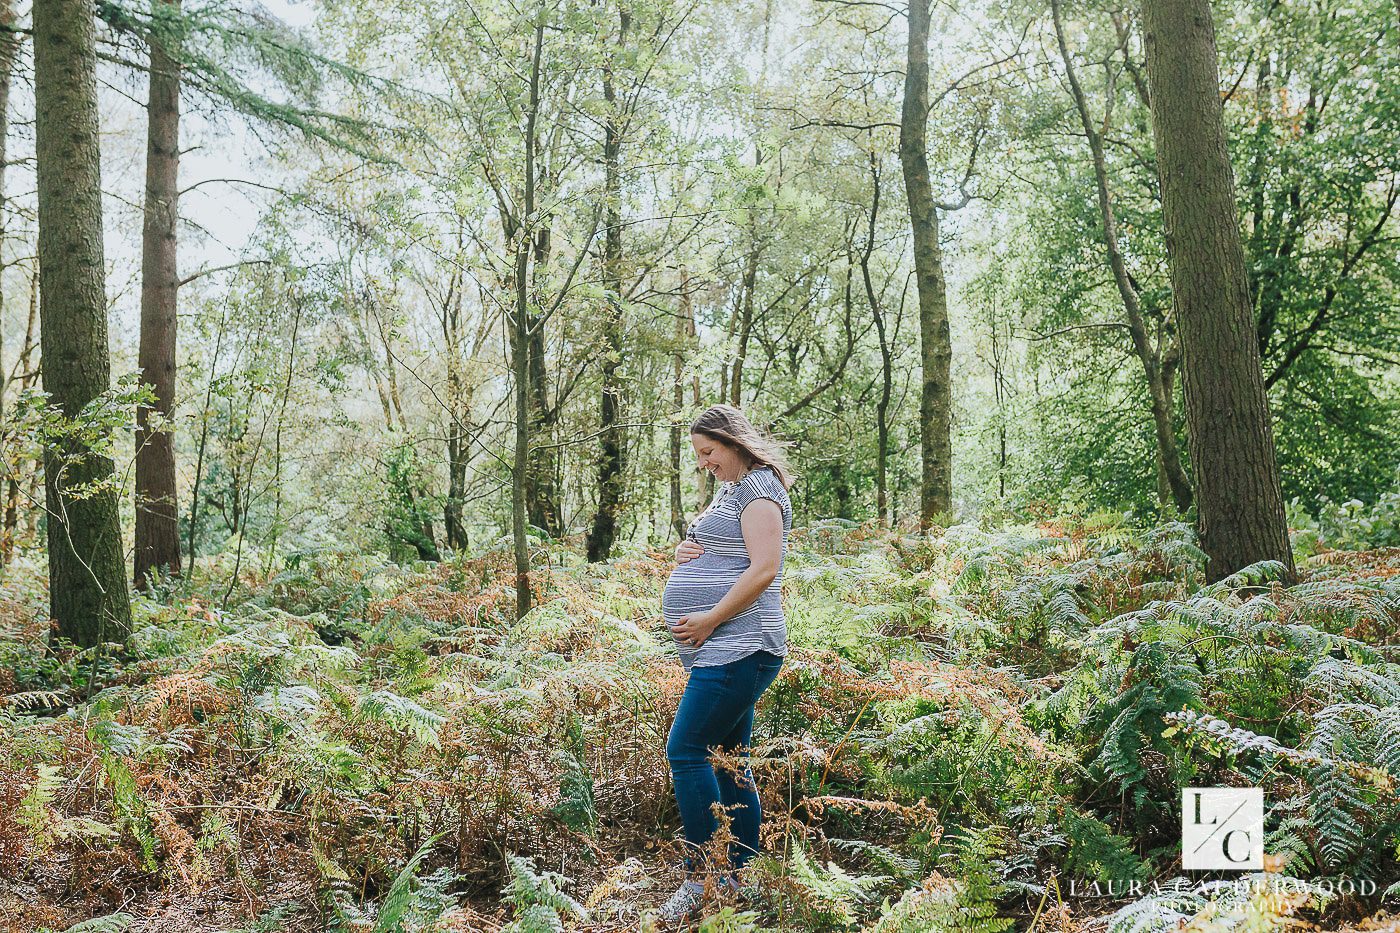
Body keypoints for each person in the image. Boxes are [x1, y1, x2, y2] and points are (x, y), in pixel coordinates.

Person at [656, 404, 797, 923]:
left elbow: (764, 570)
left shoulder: (760, 491)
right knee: (731, 762)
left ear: (732, 442)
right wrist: (686, 555)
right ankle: (744, 877)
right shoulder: (735, 490)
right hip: (729, 645)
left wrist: (710, 618)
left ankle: (704, 880)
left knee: (687, 750)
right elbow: (728, 552)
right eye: (699, 455)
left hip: (742, 644)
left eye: (708, 452)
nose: (704, 463)